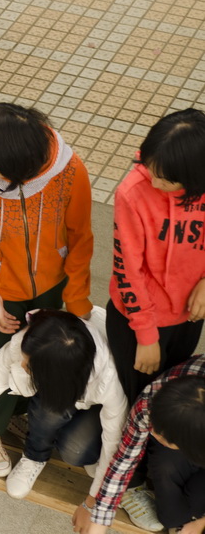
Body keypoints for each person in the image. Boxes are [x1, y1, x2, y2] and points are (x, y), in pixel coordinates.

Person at [0, 102, 94, 477]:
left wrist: (76, 299)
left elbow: (80, 237)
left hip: (52, 286)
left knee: (38, 360)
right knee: (0, 361)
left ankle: (15, 414)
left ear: (20, 167)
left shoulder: (70, 171)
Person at [104, 108, 205, 531]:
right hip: (139, 320)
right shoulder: (133, 190)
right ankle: (131, 482)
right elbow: (128, 268)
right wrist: (146, 333)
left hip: (189, 314)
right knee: (139, 403)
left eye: (165, 179)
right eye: (150, 168)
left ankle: (158, 470)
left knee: (175, 404)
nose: (152, 180)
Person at [0, 309, 127, 509]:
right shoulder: (36, 340)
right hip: (63, 390)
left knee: (78, 452)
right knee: (50, 412)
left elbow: (114, 440)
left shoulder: (109, 379)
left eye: (29, 366)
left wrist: (93, 501)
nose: (22, 365)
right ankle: (34, 457)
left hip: (96, 402)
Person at [76, 357, 205, 534]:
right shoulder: (149, 402)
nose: (153, 434)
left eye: (163, 437)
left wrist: (201, 523)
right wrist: (98, 521)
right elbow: (122, 462)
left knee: (198, 504)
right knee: (172, 517)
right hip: (189, 433)